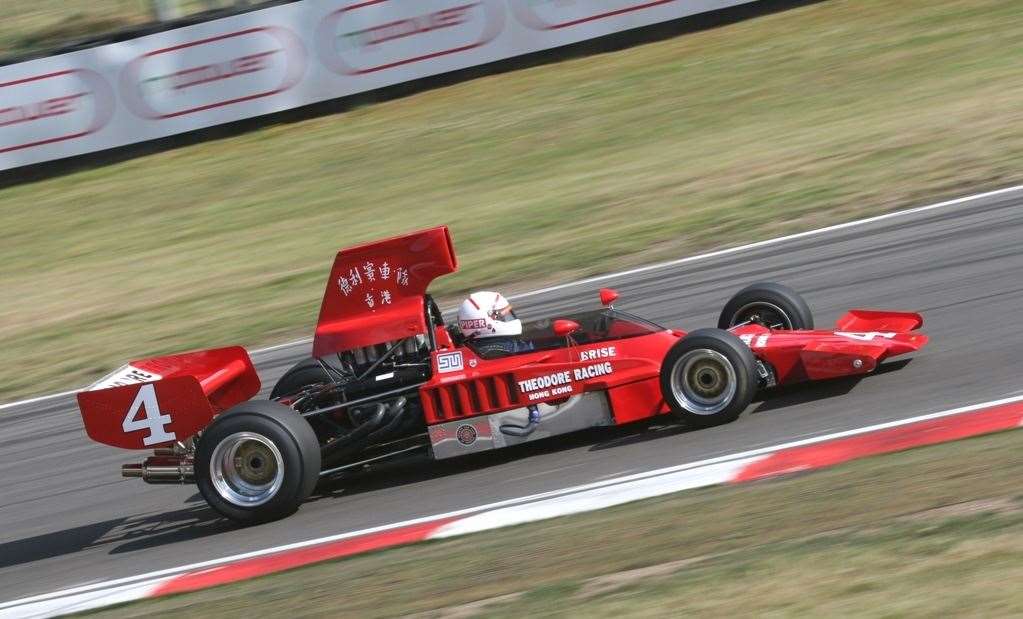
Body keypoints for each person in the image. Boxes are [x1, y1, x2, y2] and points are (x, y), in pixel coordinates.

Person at [456, 291, 532, 358]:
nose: (507, 318)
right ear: (490, 320)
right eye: (503, 317)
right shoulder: (516, 347)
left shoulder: (465, 354)